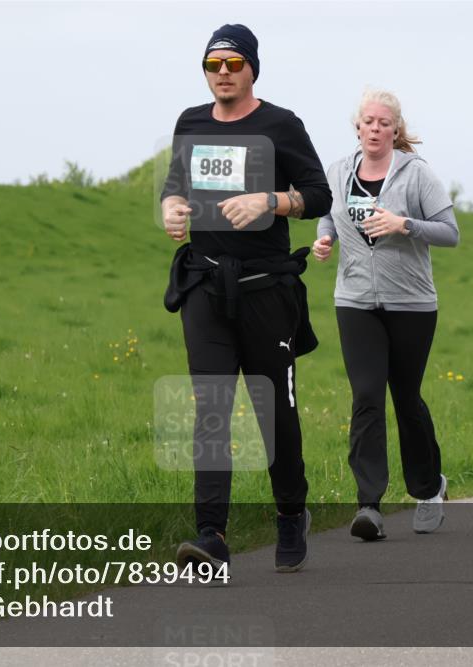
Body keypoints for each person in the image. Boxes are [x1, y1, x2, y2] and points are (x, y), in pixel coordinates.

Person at [161, 24, 332, 572]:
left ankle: (289, 514)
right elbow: (176, 185)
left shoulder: (281, 125)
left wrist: (272, 202)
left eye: (233, 64)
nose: (223, 73)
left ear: (252, 67)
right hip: (206, 288)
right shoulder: (189, 123)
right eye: (214, 64)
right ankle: (210, 535)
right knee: (211, 409)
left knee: (273, 412)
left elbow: (319, 193)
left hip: (266, 291)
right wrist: (170, 207)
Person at [312, 89, 458, 541]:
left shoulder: (417, 176)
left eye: (383, 123)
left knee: (406, 397)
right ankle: (369, 504)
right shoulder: (339, 172)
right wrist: (325, 239)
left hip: (411, 303)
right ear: (357, 127)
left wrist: (405, 224)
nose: (375, 129)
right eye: (368, 122)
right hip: (355, 301)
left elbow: (450, 233)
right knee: (367, 396)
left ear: (396, 130)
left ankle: (429, 488)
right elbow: (329, 216)